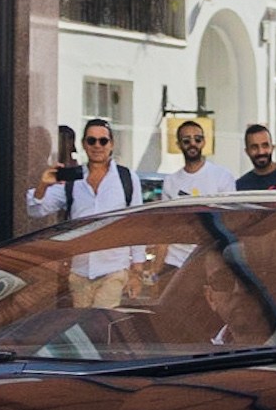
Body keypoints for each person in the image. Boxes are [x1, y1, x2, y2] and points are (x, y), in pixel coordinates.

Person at [28, 116, 141, 306]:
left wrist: (137, 270)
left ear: (111, 144)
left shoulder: (126, 178)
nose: (97, 145)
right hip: (80, 271)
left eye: (103, 140)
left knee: (100, 323)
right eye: (91, 140)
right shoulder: (73, 179)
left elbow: (137, 225)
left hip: (113, 268)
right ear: (84, 144)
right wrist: (43, 184)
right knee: (82, 328)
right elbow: (35, 209)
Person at [158, 119, 236, 202]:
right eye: (186, 140)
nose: (193, 144)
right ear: (179, 145)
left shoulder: (223, 176)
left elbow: (229, 212)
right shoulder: (170, 182)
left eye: (197, 139)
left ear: (203, 142)